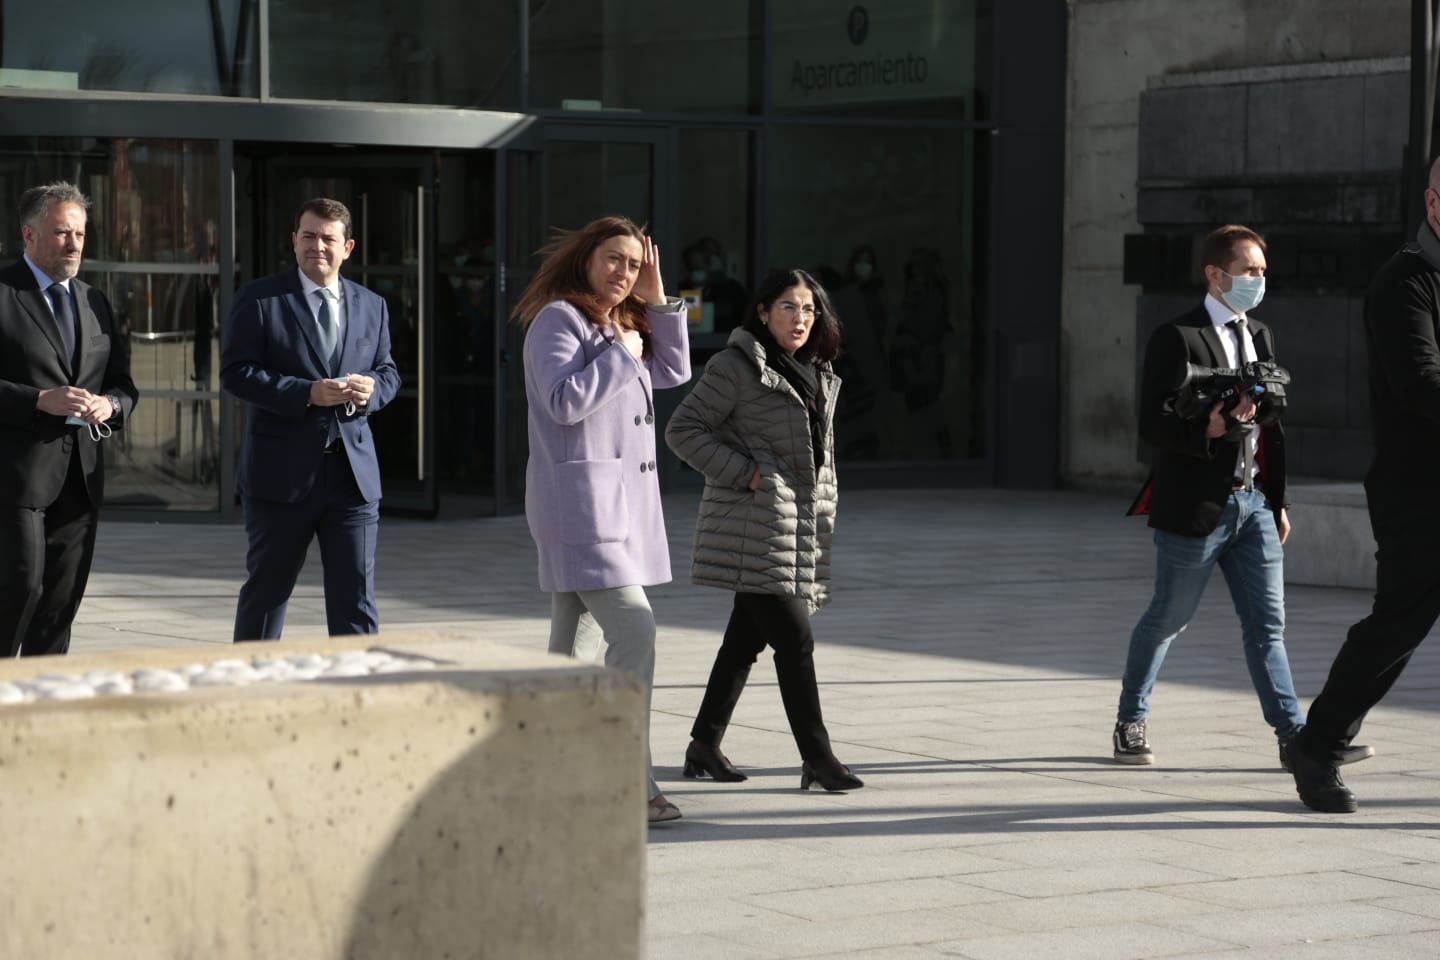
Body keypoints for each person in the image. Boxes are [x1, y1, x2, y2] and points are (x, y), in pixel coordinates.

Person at [1114, 224, 1373, 772]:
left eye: (1262, 270)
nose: (1259, 280)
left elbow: (1271, 431)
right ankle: (1130, 720)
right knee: (1168, 618)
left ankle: (1295, 738)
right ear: (1215, 274)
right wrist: (1205, 429)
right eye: (1249, 270)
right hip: (1196, 507)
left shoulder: (1261, 333)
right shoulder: (1178, 337)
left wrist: (1276, 502)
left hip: (1252, 505)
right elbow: (1150, 424)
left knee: (1267, 627)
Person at [515, 215, 691, 825]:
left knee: (572, 648)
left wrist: (659, 301)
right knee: (634, 629)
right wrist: (621, 351)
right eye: (613, 259)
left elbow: (671, 372)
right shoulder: (558, 320)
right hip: (582, 509)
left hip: (617, 509)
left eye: (634, 263)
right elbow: (564, 402)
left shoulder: (624, 321)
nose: (624, 272)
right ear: (586, 259)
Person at [666, 267, 863, 793]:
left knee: (742, 643)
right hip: (756, 524)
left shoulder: (814, 369)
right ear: (762, 311)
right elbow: (682, 429)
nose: (801, 319)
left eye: (809, 309)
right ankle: (819, 758)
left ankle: (703, 745)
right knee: (795, 642)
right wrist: (747, 474)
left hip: (794, 526)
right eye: (788, 307)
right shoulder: (736, 366)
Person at [1287, 158, 1440, 813]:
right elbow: (1422, 386)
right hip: (1420, 490)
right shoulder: (1402, 281)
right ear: (1434, 202)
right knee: (1399, 624)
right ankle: (1318, 745)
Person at [220, 198, 401, 642]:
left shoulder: (372, 305)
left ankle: (358, 694)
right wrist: (306, 393)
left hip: (351, 477)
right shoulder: (261, 299)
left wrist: (373, 391)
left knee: (356, 599)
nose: (316, 246)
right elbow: (236, 373)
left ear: (348, 247)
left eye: (328, 238)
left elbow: (389, 371)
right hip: (281, 477)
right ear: (294, 241)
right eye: (308, 236)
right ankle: (250, 692)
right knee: (268, 594)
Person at [0, 181, 138, 657]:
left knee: (59, 607)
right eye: (62, 232)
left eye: (80, 233)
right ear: (29, 235)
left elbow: (123, 384)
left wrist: (111, 406)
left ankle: (42, 707)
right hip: (14, 482)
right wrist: (38, 400)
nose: (74, 243)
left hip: (80, 481)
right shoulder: (3, 293)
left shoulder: (95, 301)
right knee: (20, 590)